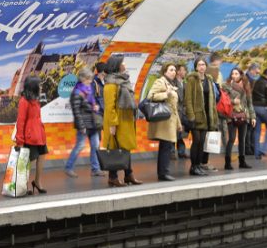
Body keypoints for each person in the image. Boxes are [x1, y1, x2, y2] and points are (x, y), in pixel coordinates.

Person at [103, 55, 142, 187]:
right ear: (116, 65)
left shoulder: (123, 80)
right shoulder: (110, 83)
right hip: (116, 121)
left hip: (125, 119)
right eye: (122, 62)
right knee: (115, 149)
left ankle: (128, 175)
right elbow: (109, 106)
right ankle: (113, 177)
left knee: (126, 148)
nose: (124, 64)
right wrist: (113, 124)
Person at [65, 67, 104, 178]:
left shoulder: (88, 90)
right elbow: (76, 112)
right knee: (80, 146)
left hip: (93, 123)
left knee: (95, 146)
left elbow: (91, 104)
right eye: (88, 79)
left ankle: (95, 169)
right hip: (84, 124)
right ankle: (68, 167)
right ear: (82, 79)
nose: (90, 81)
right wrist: (81, 126)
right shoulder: (77, 93)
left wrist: (95, 106)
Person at [184, 56, 218, 176]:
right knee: (196, 141)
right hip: (196, 115)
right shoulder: (192, 80)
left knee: (202, 141)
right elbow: (188, 100)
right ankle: (193, 167)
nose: (202, 67)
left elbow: (212, 99)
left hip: (207, 115)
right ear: (196, 67)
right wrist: (191, 116)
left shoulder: (209, 80)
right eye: (199, 65)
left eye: (203, 64)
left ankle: (198, 165)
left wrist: (214, 115)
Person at [147, 63, 181, 181]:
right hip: (164, 121)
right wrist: (166, 94)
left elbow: (174, 107)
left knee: (166, 147)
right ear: (165, 71)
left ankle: (164, 172)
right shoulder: (160, 82)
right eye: (171, 70)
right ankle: (163, 173)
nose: (174, 72)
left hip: (170, 121)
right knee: (166, 147)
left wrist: (179, 124)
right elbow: (151, 95)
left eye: (175, 70)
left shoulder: (171, 84)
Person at [15, 76, 49, 194]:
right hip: (30, 137)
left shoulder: (36, 99)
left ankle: (37, 182)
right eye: (39, 85)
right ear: (33, 87)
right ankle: (24, 185)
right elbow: (21, 121)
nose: (41, 87)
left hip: (39, 134)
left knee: (42, 156)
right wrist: (20, 140)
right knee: (29, 161)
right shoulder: (24, 101)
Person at [222, 68, 254, 170]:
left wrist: (253, 116)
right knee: (231, 138)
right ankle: (227, 162)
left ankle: (242, 161)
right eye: (232, 74)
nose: (234, 76)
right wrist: (232, 101)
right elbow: (223, 100)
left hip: (243, 115)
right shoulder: (226, 85)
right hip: (231, 115)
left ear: (241, 75)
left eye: (236, 74)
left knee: (242, 139)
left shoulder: (245, 86)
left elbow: (249, 103)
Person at [252, 68, 267, 160]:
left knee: (257, 131)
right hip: (263, 109)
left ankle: (257, 153)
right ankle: (264, 149)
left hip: (255, 108)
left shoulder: (256, 82)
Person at [243, 63, 261, 156]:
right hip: (247, 107)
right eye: (257, 72)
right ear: (253, 70)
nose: (257, 74)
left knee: (252, 128)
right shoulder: (246, 79)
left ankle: (252, 147)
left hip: (252, 106)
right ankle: (247, 149)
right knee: (249, 129)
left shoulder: (251, 79)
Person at [174, 64, 189, 159]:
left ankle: (181, 152)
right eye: (183, 70)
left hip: (183, 112)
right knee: (173, 133)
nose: (185, 72)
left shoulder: (185, 84)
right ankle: (172, 152)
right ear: (178, 72)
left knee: (181, 133)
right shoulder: (173, 84)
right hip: (175, 111)